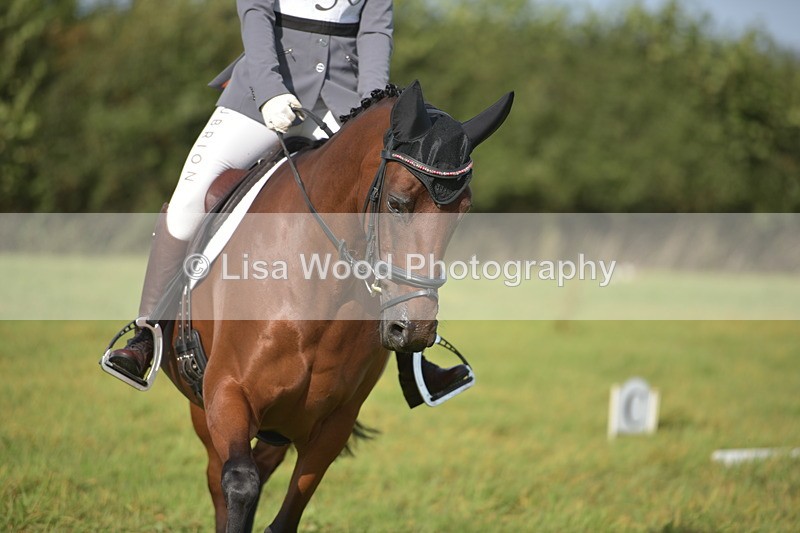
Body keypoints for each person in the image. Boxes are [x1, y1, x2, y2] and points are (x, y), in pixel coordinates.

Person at [106, 0, 469, 401]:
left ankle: (413, 364)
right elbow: (257, 16)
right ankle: (148, 334)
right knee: (190, 197)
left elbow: (374, 34)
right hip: (262, 91)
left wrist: (372, 110)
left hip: (348, 102)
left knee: (391, 198)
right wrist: (269, 89)